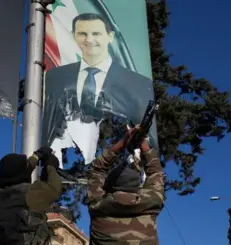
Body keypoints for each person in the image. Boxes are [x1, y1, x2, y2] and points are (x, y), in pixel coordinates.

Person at [42, 12, 155, 166]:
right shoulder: (56, 77)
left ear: (110, 36)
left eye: (96, 33)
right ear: (73, 36)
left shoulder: (136, 83)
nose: (89, 40)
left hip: (120, 176)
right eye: (82, 34)